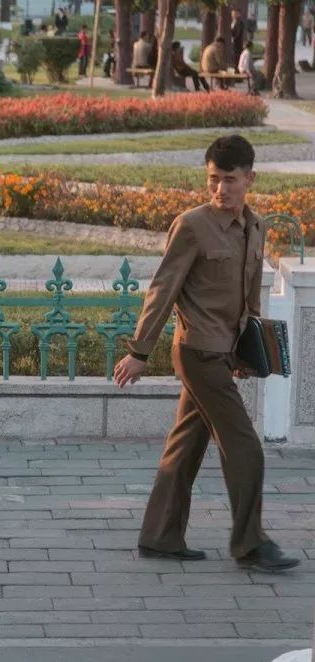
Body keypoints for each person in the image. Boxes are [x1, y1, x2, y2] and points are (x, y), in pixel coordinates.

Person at [114, 135, 301, 574]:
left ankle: (160, 536)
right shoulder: (192, 225)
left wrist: (247, 351)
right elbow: (163, 290)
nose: (220, 189)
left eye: (230, 180)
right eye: (213, 179)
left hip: (224, 352)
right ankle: (250, 544)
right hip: (197, 351)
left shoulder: (256, 226)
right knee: (246, 448)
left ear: (250, 179)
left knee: (185, 446)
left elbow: (249, 296)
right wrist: (140, 352)